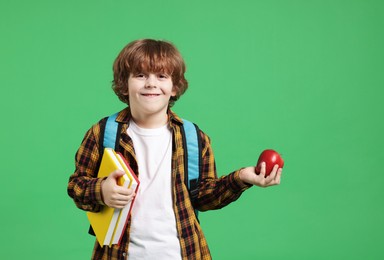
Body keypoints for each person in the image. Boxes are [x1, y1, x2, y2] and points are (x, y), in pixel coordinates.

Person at [67, 39, 282, 260]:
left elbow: (204, 197)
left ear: (175, 87)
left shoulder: (194, 138)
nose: (151, 83)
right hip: (117, 255)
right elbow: (76, 186)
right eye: (140, 75)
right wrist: (101, 190)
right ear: (124, 83)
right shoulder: (103, 133)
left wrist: (242, 178)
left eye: (161, 76)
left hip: (183, 254)